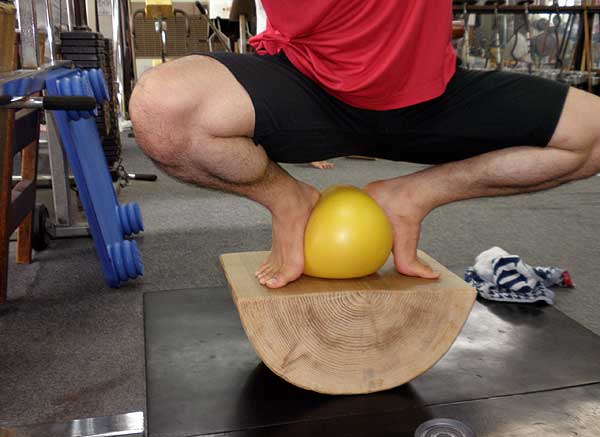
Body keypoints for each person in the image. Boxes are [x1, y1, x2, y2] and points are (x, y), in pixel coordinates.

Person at [129, 1, 600, 289]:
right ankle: (290, 201)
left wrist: (425, 190)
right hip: (307, 88)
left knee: (593, 133)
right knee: (161, 109)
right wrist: (278, 193)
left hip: (432, 96)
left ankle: (410, 197)